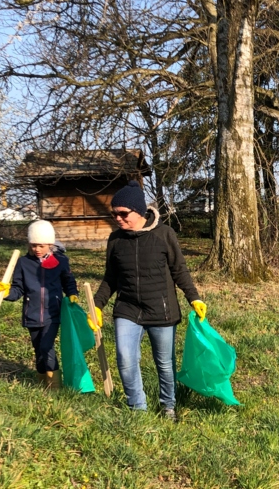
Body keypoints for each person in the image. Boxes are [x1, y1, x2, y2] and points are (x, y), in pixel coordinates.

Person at [93, 180, 206, 420]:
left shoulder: (164, 235)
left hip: (161, 310)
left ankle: (168, 406)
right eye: (114, 214)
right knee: (125, 358)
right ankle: (137, 408)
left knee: (164, 363)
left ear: (139, 211)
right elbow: (110, 278)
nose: (118, 219)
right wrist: (97, 304)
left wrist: (193, 298)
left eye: (123, 214)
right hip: (128, 308)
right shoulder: (115, 240)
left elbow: (179, 270)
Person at [0, 220, 80, 389]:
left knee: (46, 346)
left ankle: (55, 386)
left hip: (53, 312)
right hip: (31, 313)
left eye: (41, 245)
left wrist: (72, 294)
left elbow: (68, 281)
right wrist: (6, 293)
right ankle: (42, 383)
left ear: (50, 243)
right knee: (38, 350)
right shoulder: (23, 263)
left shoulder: (60, 261)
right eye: (33, 245)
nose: (37, 249)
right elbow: (18, 289)